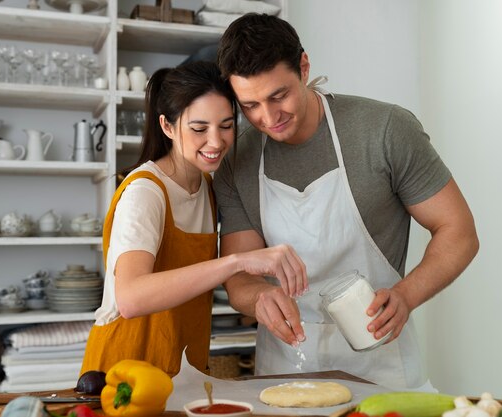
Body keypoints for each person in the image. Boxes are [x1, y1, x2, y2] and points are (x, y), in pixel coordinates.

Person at [214, 13, 479, 389]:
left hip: (381, 360)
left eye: (279, 96)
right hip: (286, 367)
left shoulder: (385, 130)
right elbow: (239, 273)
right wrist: (259, 298)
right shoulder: (236, 158)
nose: (268, 118)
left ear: (303, 67)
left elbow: (459, 231)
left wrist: (406, 296)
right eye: (250, 105)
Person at [80, 61, 307, 377]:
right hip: (127, 368)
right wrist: (237, 261)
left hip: (183, 367)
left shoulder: (208, 187)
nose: (216, 142)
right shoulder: (146, 191)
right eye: (199, 129)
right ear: (168, 126)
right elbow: (130, 297)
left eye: (226, 126)